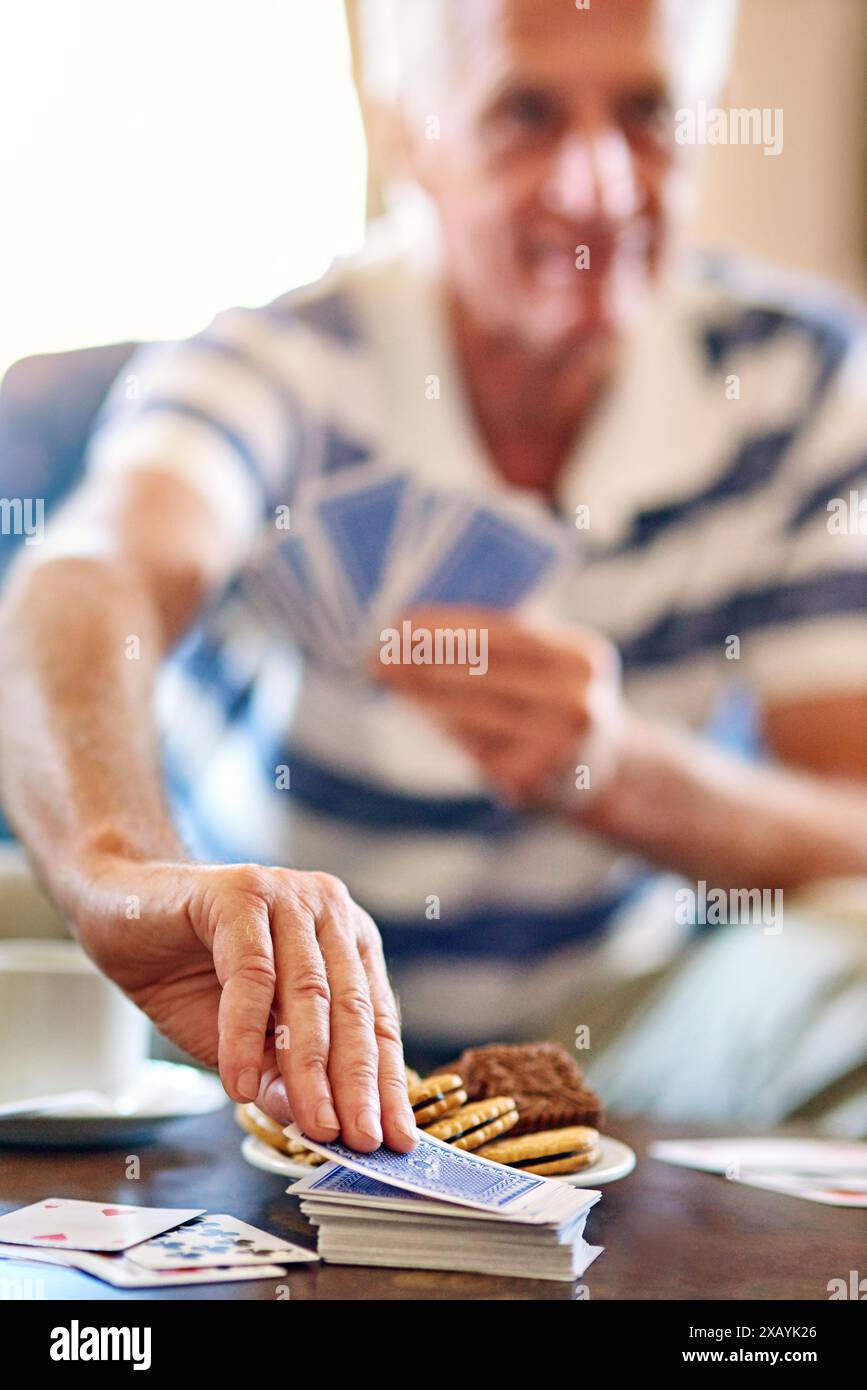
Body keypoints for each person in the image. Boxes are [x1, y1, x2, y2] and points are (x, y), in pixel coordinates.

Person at [2, 0, 867, 1141]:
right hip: (229, 993)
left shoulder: (800, 375)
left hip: (619, 1013)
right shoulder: (276, 361)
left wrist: (617, 772)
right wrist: (124, 871)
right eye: (526, 112)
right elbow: (90, 572)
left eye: (649, 112)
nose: (597, 186)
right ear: (412, 132)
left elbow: (850, 820)